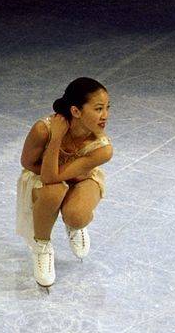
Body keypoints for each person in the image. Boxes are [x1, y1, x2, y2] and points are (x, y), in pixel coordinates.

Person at [16, 77, 113, 288]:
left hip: (82, 178)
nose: (105, 115)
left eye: (107, 108)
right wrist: (56, 138)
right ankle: (41, 247)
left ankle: (74, 226)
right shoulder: (44, 130)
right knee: (54, 190)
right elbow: (29, 164)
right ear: (76, 111)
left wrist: (64, 177)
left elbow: (61, 174)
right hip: (41, 176)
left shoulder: (102, 148)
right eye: (98, 109)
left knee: (77, 216)